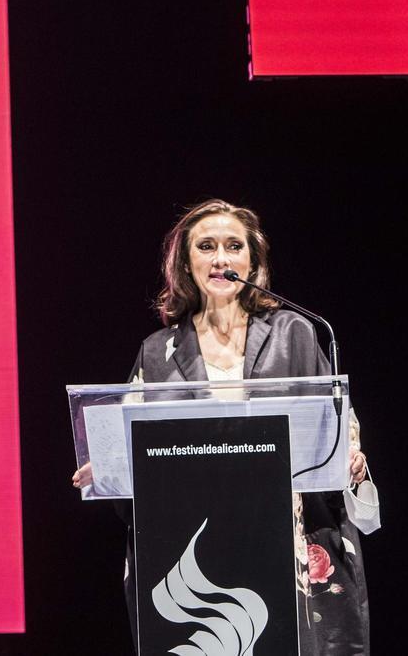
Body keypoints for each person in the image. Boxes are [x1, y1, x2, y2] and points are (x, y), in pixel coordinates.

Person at [71, 199, 371, 654]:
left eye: (234, 246)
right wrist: (114, 466)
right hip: (199, 543)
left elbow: (337, 426)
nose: (221, 259)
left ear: (252, 261)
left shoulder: (296, 332)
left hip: (285, 535)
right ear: (186, 264)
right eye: (206, 246)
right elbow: (134, 436)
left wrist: (350, 457)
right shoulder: (158, 351)